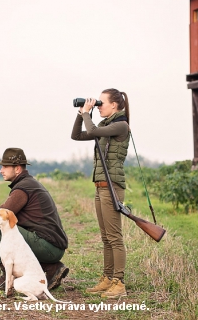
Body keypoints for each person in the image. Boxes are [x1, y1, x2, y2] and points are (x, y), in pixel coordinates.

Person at [0, 147, 69, 291]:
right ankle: (50, 268)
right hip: (52, 246)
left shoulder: (23, 188)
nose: (1, 170)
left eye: (5, 167)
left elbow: (6, 212)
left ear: (17, 169)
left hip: (48, 247)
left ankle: (8, 276)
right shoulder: (27, 184)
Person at [71, 88, 130, 298]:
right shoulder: (106, 125)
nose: (98, 105)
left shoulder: (120, 125)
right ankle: (107, 278)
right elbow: (76, 135)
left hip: (112, 187)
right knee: (106, 237)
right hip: (100, 186)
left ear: (114, 105)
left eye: (101, 102)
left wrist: (88, 113)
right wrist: (81, 115)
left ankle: (119, 282)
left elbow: (93, 131)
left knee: (114, 237)